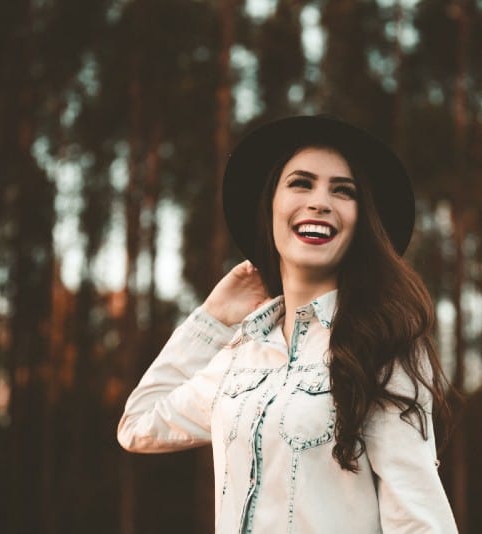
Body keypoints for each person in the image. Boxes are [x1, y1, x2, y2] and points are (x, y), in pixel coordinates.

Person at [117, 115, 459, 533]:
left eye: (343, 191)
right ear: (271, 206)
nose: (319, 202)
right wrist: (212, 320)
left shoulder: (383, 344)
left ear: (361, 222)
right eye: (301, 183)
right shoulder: (242, 353)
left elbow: (419, 520)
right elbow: (139, 425)